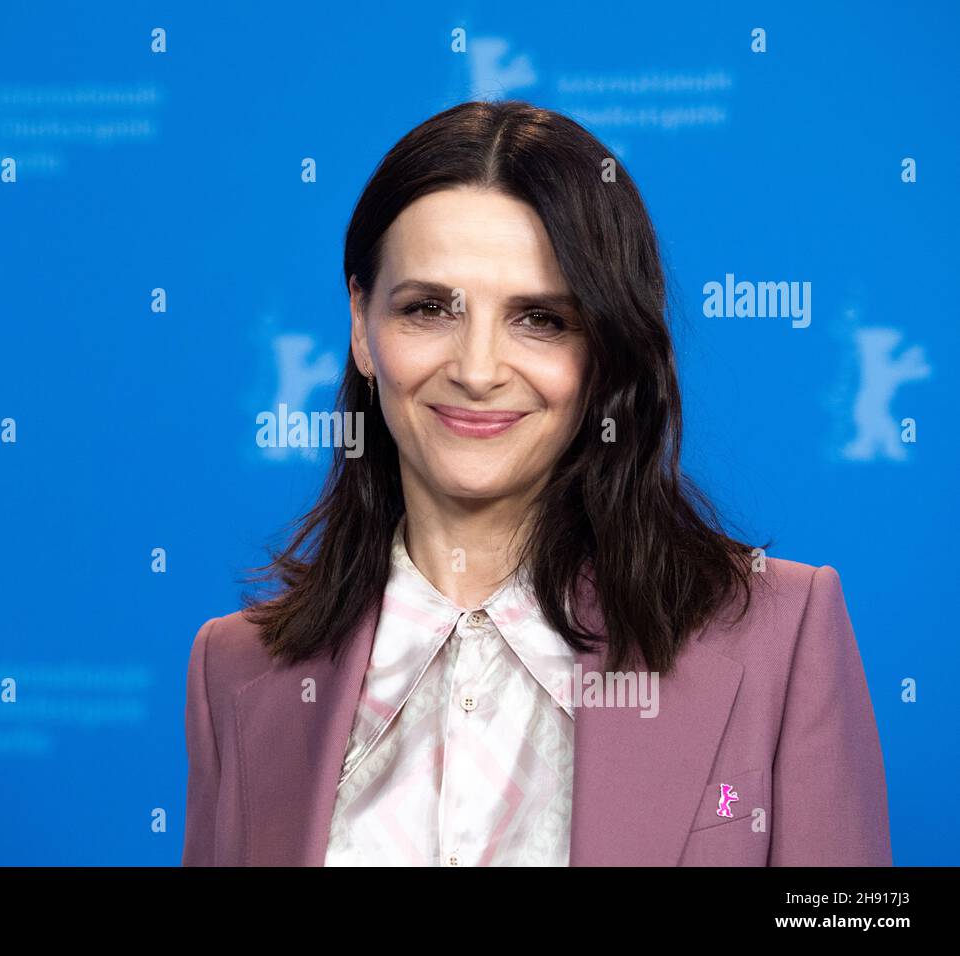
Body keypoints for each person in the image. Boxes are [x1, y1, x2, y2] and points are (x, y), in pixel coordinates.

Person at [181, 100, 892, 867]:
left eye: (540, 319)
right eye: (427, 309)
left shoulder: (780, 640)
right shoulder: (235, 670)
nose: (478, 370)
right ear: (362, 325)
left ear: (605, 349)